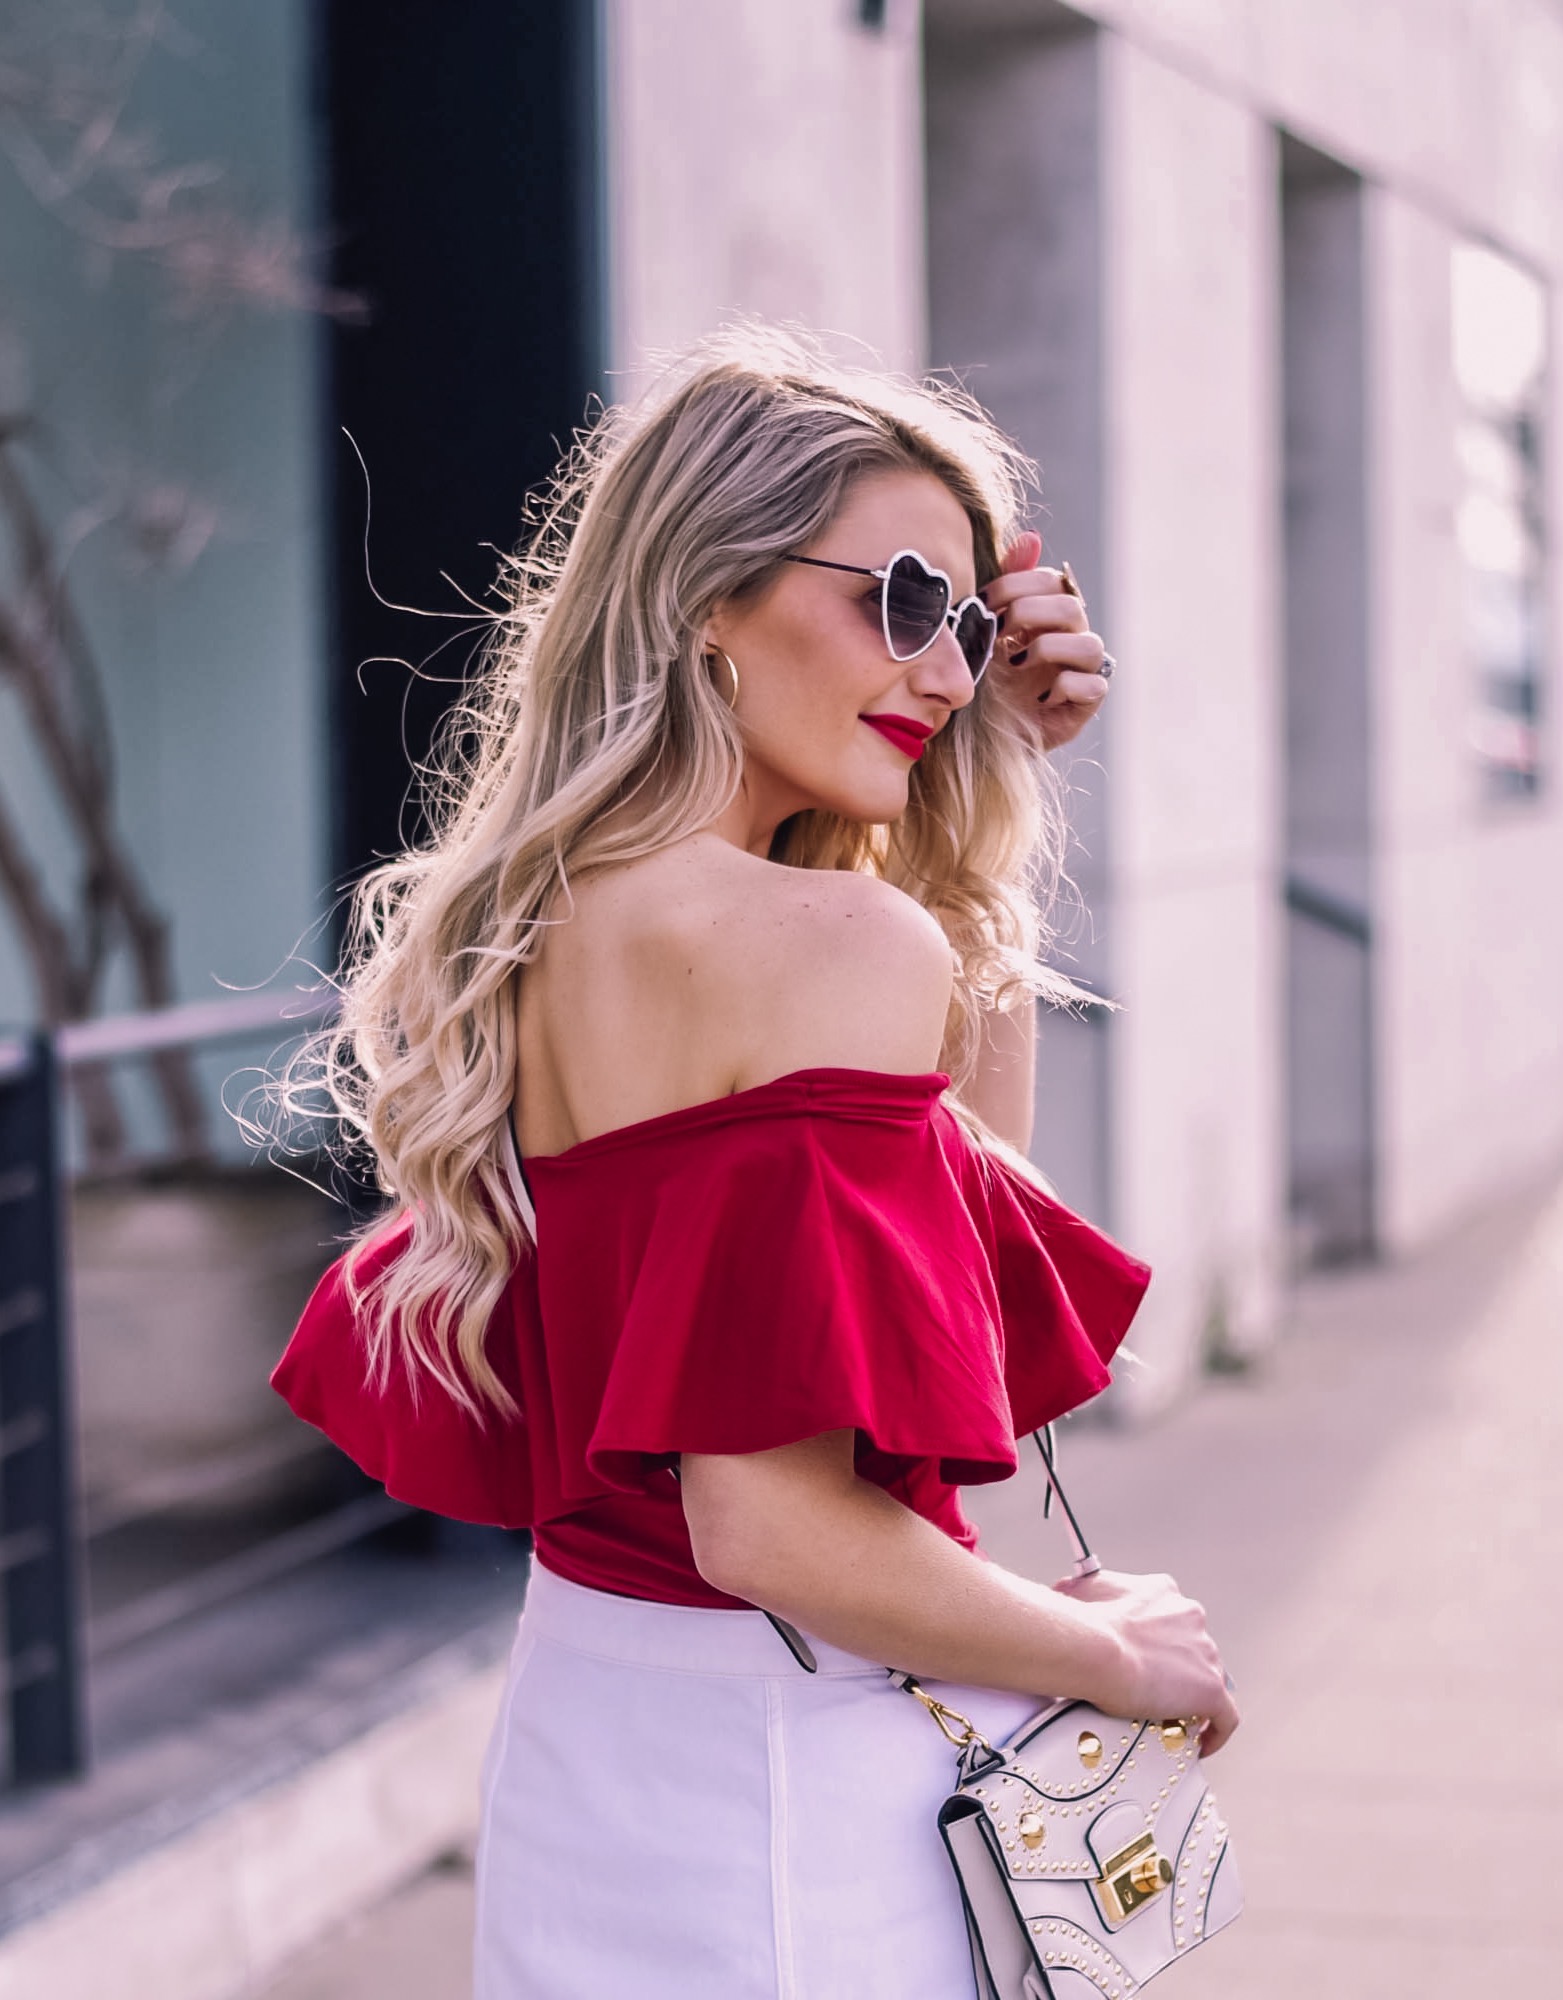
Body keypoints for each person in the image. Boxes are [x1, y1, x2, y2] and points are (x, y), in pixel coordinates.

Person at [271, 326, 1238, 2000]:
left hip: (595, 1748)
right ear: (709, 593)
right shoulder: (821, 942)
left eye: (972, 621)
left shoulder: (542, 920)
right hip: (801, 1788)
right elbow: (775, 1525)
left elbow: (923, 1278)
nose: (947, 671)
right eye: (905, 600)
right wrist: (1112, 1656)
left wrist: (984, 790)